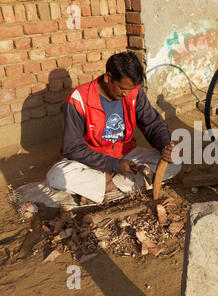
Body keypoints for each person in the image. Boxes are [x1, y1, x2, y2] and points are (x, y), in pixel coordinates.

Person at [46, 52, 180, 205]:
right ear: (108, 77)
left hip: (127, 157)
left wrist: (165, 146)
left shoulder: (133, 93)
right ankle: (121, 184)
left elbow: (152, 124)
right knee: (56, 176)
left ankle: (108, 187)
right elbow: (73, 148)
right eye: (123, 88)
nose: (127, 94)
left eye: (131, 89)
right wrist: (114, 165)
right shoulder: (78, 100)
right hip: (93, 162)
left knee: (176, 162)